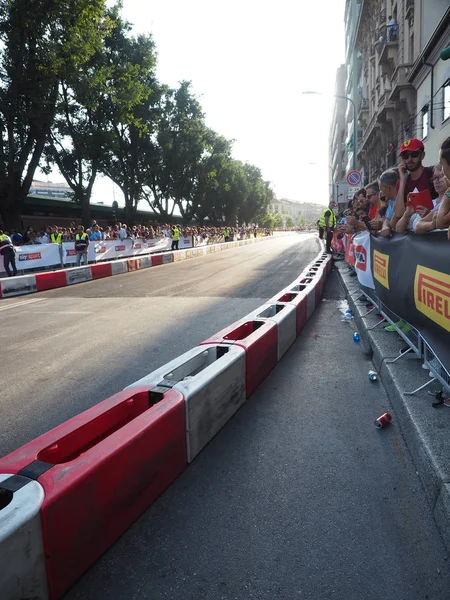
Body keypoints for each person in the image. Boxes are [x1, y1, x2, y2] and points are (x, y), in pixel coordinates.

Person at [394, 138, 437, 221]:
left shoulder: (432, 173)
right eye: (405, 156)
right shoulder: (400, 183)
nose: (409, 159)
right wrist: (403, 181)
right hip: (412, 231)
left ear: (422, 155)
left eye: (414, 154)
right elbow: (398, 214)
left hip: (434, 228)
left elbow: (447, 195)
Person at [378, 169, 400, 238]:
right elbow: (387, 219)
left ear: (387, 188)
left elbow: (394, 222)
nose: (381, 193)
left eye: (381, 189)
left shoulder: (404, 197)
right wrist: (385, 227)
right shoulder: (391, 201)